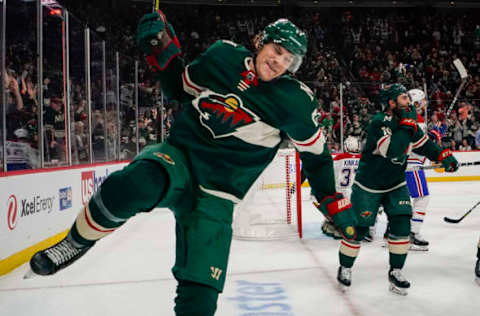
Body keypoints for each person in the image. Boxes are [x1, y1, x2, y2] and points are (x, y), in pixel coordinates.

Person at [29, 12, 356, 316]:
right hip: (180, 159)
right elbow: (178, 88)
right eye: (277, 49)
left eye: (289, 59)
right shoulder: (222, 57)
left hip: (220, 195)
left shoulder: (296, 102)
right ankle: (75, 242)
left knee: (200, 300)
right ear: (260, 41)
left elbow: (316, 156)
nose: (279, 61)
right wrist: (164, 56)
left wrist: (329, 197)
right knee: (130, 186)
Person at [336, 84, 459, 296]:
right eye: (404, 98)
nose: (409, 102)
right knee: (360, 230)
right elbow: (394, 152)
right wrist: (408, 124)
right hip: (368, 186)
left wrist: (443, 156)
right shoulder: (379, 123)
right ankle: (345, 266)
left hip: (396, 184)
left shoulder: (407, 123)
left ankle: (396, 271)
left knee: (402, 226)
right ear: (392, 103)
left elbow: (424, 145)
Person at [405, 88, 430, 251]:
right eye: (423, 100)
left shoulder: (405, 118)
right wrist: (434, 138)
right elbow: (421, 146)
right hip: (412, 165)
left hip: (404, 165)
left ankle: (391, 232)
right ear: (416, 103)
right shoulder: (418, 121)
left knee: (402, 200)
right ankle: (412, 234)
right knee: (422, 198)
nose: (426, 103)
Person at [321, 135, 361, 240]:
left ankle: (335, 227)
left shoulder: (339, 158)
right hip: (355, 193)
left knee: (335, 212)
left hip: (340, 194)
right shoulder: (362, 159)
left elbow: (330, 174)